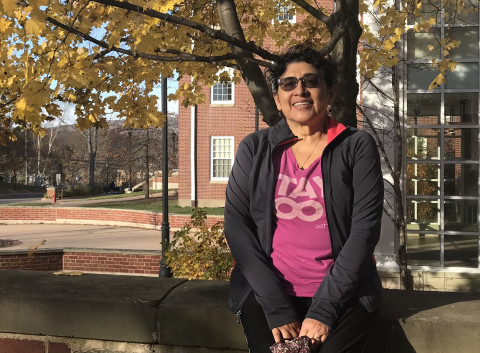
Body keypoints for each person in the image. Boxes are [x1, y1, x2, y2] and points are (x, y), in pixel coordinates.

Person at [224, 45, 384, 353]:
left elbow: (364, 232)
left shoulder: (356, 146)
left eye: (311, 81)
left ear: (331, 92)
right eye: (288, 83)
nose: (300, 89)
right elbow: (237, 227)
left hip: (344, 293)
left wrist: (325, 308)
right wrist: (275, 307)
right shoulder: (254, 149)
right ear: (277, 98)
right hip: (266, 293)